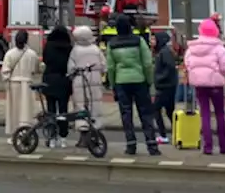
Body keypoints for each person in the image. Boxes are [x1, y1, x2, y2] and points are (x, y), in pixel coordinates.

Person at [105, 14, 160, 156]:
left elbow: (110, 67)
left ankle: (131, 145)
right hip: (139, 80)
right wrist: (149, 81)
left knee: (126, 114)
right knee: (146, 113)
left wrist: (113, 85)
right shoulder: (139, 41)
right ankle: (152, 145)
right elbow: (148, 63)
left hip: (121, 82)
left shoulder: (112, 44)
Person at [184, 17, 225, 155]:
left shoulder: (191, 48)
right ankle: (224, 146)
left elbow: (188, 64)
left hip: (199, 84)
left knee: (204, 114)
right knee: (219, 114)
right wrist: (221, 74)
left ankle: (208, 147)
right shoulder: (219, 48)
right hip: (216, 84)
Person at [68, 25, 106, 148]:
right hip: (95, 79)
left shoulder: (75, 50)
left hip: (80, 80)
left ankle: (83, 137)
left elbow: (70, 68)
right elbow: (104, 65)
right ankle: (95, 134)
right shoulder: (96, 49)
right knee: (95, 106)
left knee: (81, 106)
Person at [41, 26, 74, 148]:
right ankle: (63, 137)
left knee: (51, 110)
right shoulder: (69, 48)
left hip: (49, 79)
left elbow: (45, 60)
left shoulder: (48, 46)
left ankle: (52, 137)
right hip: (63, 80)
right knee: (63, 110)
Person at [2, 29, 40, 135]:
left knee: (14, 110)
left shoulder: (9, 54)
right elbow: (36, 69)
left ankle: (14, 133)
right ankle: (26, 131)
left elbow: (5, 70)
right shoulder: (32, 54)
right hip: (27, 84)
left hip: (13, 84)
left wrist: (7, 82)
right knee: (26, 110)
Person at [152, 31, 179, 145]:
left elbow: (170, 68)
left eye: (154, 39)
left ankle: (163, 135)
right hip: (168, 86)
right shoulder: (163, 52)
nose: (152, 42)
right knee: (169, 111)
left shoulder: (164, 53)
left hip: (165, 86)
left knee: (155, 109)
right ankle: (177, 133)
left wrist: (159, 78)